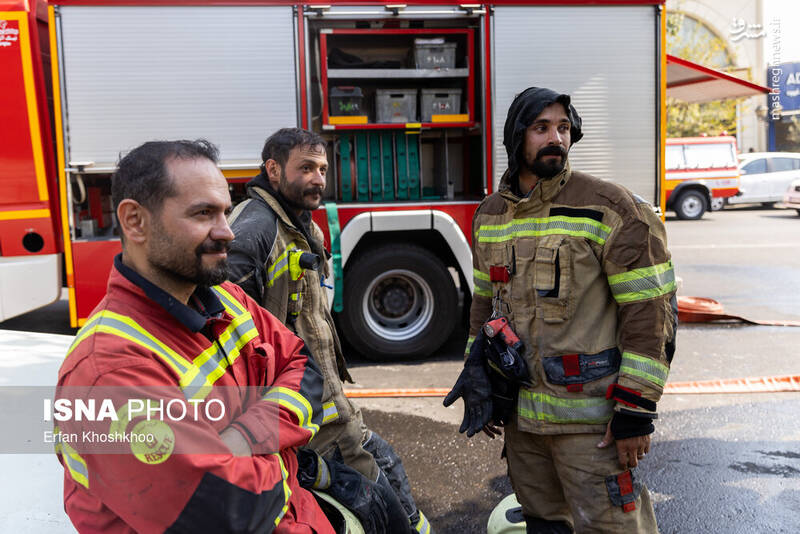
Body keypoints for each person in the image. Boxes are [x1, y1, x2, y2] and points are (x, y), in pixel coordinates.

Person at [55, 139, 336, 533]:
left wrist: (244, 438)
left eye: (225, 212)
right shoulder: (107, 373)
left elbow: (305, 368)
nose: (227, 233)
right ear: (135, 221)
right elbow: (229, 512)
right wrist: (287, 452)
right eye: (204, 213)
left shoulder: (227, 296)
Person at [449, 87, 677, 533]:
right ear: (517, 137)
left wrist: (636, 408)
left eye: (563, 127)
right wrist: (478, 373)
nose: (556, 138)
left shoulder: (611, 208)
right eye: (542, 128)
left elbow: (651, 315)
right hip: (523, 428)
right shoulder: (490, 215)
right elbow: (484, 305)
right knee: (545, 525)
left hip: (593, 430)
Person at [227, 128, 430, 534]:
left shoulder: (300, 226)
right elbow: (232, 338)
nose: (318, 178)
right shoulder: (255, 231)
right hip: (311, 419)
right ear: (273, 170)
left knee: (389, 471)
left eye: (322, 169)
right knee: (380, 511)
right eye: (306, 168)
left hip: (333, 406)